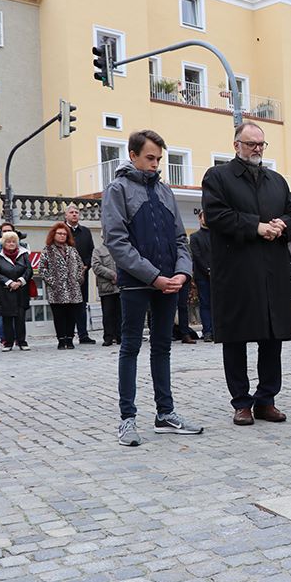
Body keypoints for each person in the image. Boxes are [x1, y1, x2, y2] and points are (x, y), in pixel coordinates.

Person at [103, 129, 203, 446]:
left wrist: (182, 273)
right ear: (132, 155)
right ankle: (127, 419)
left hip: (168, 284)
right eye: (150, 158)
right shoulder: (117, 189)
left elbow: (179, 240)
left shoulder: (164, 191)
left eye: (158, 159)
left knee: (162, 347)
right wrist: (153, 276)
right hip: (136, 283)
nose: (155, 164)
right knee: (130, 347)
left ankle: (165, 414)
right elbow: (117, 242)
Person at [202, 122, 291, 426]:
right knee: (236, 339)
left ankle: (266, 399)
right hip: (237, 272)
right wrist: (256, 227)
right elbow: (217, 215)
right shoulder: (218, 176)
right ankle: (242, 402)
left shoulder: (277, 180)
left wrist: (282, 225)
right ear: (236, 145)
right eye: (250, 143)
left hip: (272, 271)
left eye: (261, 144)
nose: (256, 148)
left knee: (272, 339)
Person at [41, 222, 84, 350]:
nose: (62, 236)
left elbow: (81, 266)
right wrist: (53, 282)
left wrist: (77, 279)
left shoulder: (72, 250)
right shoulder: (47, 250)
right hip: (57, 290)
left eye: (65, 234)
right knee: (59, 316)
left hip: (72, 289)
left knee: (71, 315)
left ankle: (70, 339)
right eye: (59, 233)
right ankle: (61, 339)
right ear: (54, 234)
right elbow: (42, 269)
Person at [0, 231, 32, 351]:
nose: (11, 243)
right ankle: (8, 343)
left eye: (13, 241)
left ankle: (22, 341)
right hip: (5, 291)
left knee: (20, 318)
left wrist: (19, 281)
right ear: (3, 243)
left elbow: (29, 270)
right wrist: (9, 282)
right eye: (8, 241)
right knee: (7, 318)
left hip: (21, 290)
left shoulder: (24, 254)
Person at [64, 204, 96, 344]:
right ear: (66, 215)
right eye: (71, 212)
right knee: (68, 305)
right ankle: (68, 335)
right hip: (65, 276)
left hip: (82, 274)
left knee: (81, 304)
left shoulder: (86, 232)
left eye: (77, 212)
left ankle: (83, 335)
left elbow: (91, 252)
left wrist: (85, 266)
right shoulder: (61, 231)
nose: (75, 214)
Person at [189, 212, 214, 342]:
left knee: (216, 304)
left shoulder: (216, 236)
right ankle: (207, 331)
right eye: (204, 216)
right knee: (205, 304)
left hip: (217, 276)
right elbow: (197, 256)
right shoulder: (194, 237)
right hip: (202, 276)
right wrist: (207, 270)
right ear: (200, 219)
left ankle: (216, 330)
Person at [91, 243, 121, 346]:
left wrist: (119, 277)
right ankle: (108, 337)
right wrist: (112, 275)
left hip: (121, 286)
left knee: (121, 314)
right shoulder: (98, 250)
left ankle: (120, 336)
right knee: (108, 314)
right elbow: (96, 266)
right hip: (106, 287)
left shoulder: (120, 247)